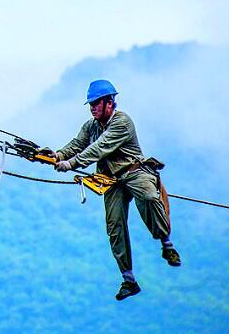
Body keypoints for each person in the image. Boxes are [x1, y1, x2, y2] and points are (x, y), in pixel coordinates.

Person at [42, 79, 181, 301]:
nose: (93, 107)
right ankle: (128, 280)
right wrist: (57, 155)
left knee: (148, 196)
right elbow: (77, 144)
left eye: (97, 103)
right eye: (91, 104)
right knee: (114, 224)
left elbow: (99, 148)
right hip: (110, 180)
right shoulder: (91, 126)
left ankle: (166, 243)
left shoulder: (122, 122)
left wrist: (71, 164)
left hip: (135, 172)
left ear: (110, 102)